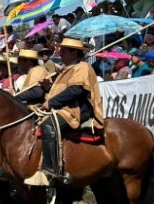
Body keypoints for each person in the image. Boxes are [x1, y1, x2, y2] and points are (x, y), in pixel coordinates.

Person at [24, 37, 104, 187]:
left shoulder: (83, 67)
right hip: (64, 108)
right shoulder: (67, 69)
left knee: (48, 125)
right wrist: (48, 87)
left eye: (64, 51)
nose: (59, 53)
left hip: (79, 109)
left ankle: (49, 171)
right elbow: (61, 92)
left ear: (74, 53)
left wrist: (51, 102)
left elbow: (76, 90)